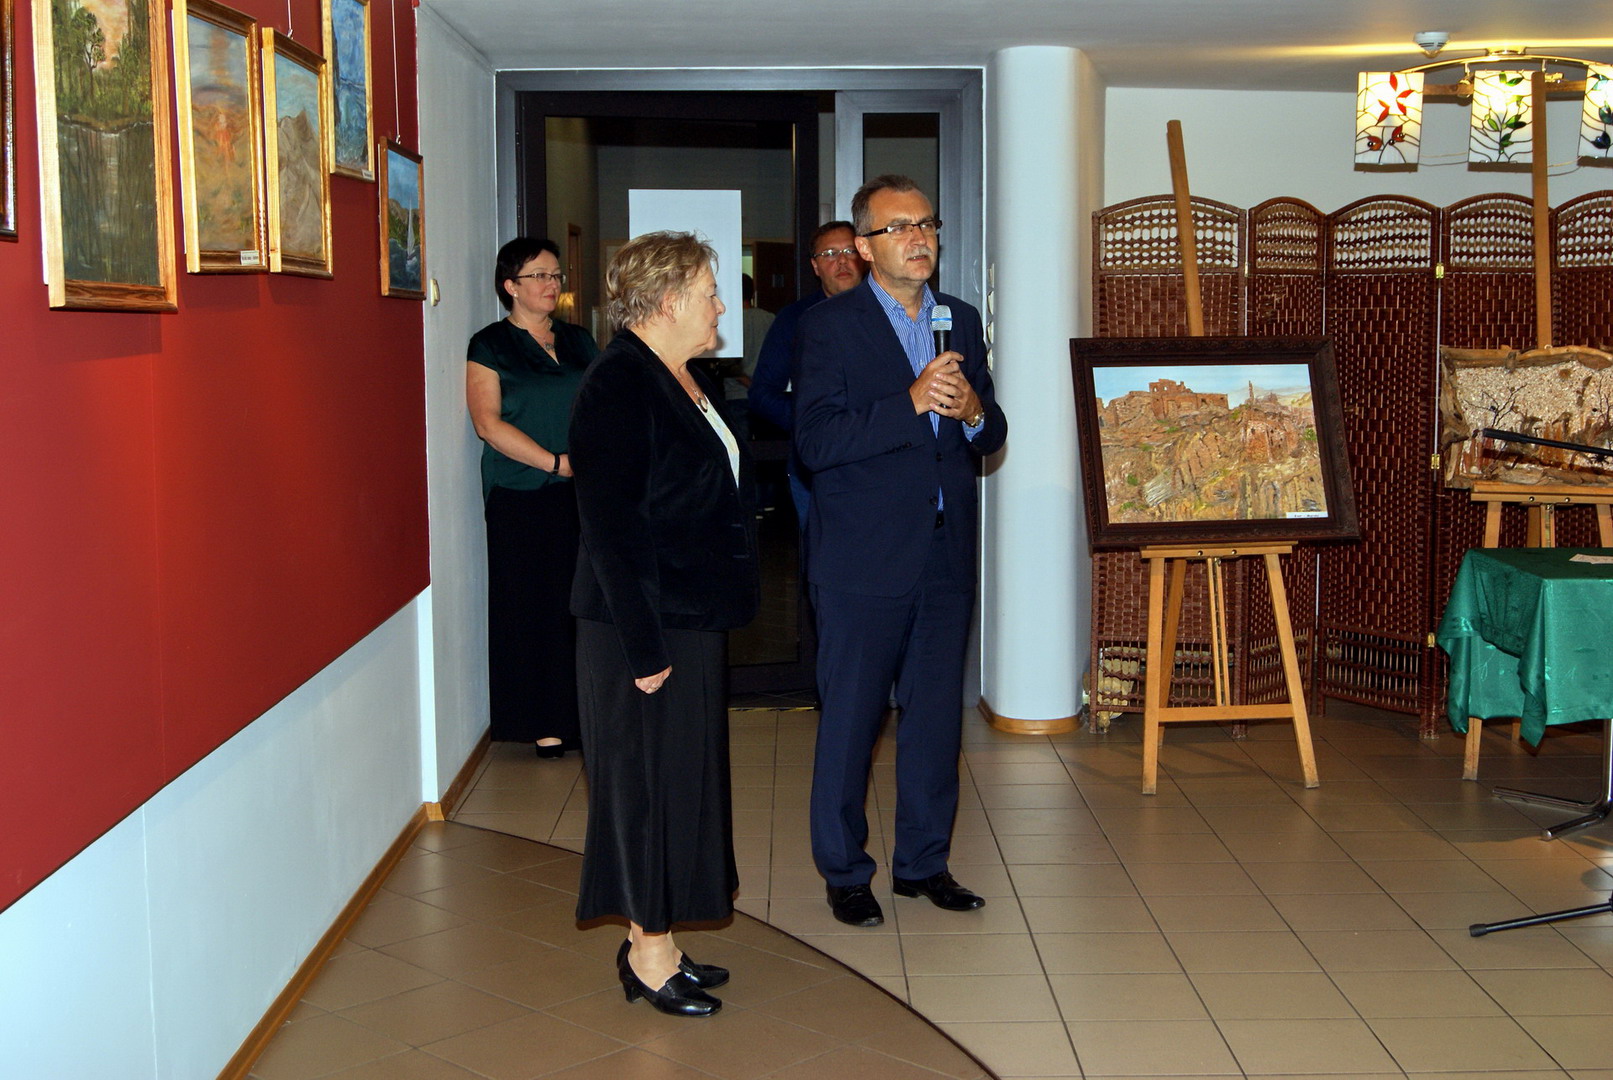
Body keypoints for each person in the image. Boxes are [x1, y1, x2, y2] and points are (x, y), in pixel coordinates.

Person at [793, 175, 1007, 928]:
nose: (919, 239)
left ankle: (924, 863)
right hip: (862, 559)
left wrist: (974, 412)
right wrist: (909, 402)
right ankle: (845, 871)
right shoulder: (829, 327)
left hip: (944, 554)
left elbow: (990, 429)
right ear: (862, 246)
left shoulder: (960, 318)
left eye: (927, 224)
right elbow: (816, 442)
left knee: (936, 721)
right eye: (899, 228)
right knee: (852, 721)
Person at [569, 231, 759, 1017]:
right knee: (644, 790)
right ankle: (647, 957)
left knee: (681, 784)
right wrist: (644, 648)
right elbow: (611, 529)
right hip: (637, 630)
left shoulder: (683, 376)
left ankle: (662, 941)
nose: (721, 306)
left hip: (688, 618)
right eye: (711, 292)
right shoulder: (617, 384)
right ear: (670, 300)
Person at [466, 237, 598, 757]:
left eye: (556, 275)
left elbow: (600, 403)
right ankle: (544, 723)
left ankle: (584, 715)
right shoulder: (490, 345)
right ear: (510, 286)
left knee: (581, 605)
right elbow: (487, 423)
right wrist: (554, 463)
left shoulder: (579, 340)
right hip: (520, 495)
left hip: (581, 495)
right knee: (532, 608)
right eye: (539, 276)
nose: (552, 284)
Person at [749, 221, 865, 524]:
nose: (842, 261)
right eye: (830, 254)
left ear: (865, 255)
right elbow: (761, 394)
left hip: (879, 460)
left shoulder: (892, 314)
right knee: (821, 549)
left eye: (850, 251)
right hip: (815, 467)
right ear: (815, 266)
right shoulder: (795, 320)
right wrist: (812, 421)